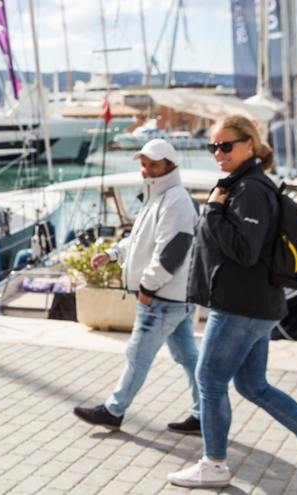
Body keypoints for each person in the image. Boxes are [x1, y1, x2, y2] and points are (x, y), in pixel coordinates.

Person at [168, 115, 297, 488]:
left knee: (209, 380)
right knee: (253, 386)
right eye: (212, 146)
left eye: (225, 145)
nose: (218, 153)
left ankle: (213, 465)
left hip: (240, 307)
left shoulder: (250, 190)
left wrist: (213, 210)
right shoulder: (244, 185)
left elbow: (245, 250)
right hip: (253, 305)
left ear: (249, 144)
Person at [73, 138, 201, 435]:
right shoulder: (158, 197)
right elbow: (141, 240)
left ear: (170, 165)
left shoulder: (175, 200)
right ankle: (204, 412)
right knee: (187, 357)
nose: (146, 170)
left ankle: (114, 410)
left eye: (153, 164)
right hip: (174, 297)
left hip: (162, 297)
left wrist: (147, 287)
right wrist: (114, 253)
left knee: (137, 356)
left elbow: (172, 252)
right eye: (143, 164)